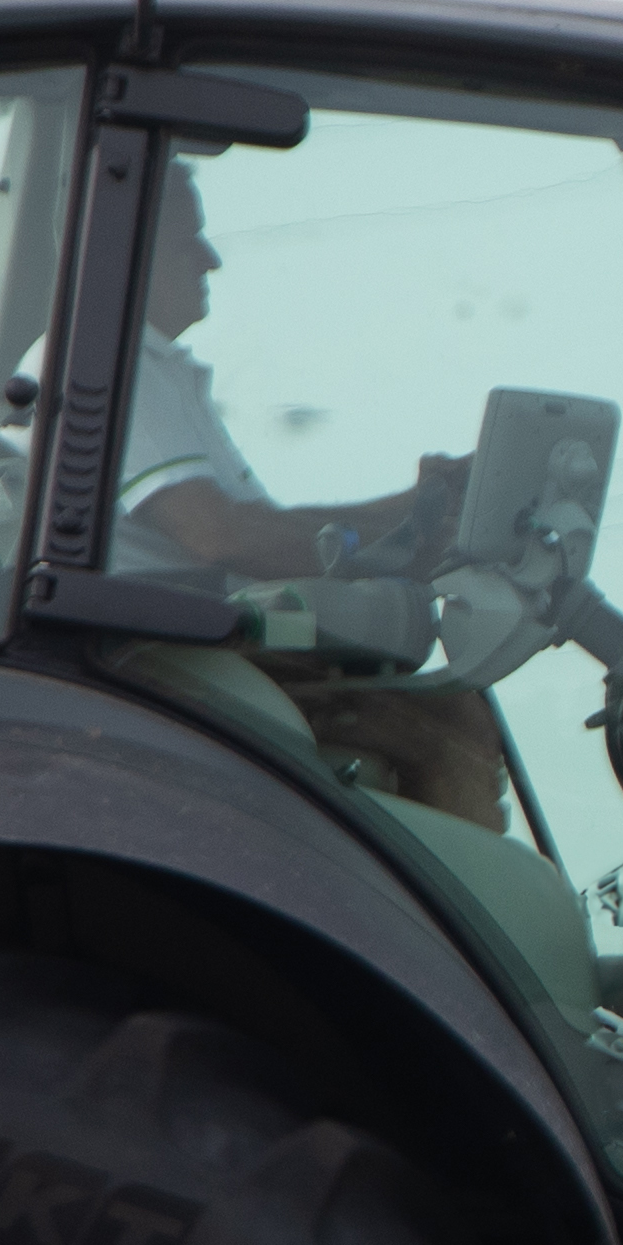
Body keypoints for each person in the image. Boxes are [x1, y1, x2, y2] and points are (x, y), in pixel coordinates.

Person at [98, 156, 514, 830]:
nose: (210, 259)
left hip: (206, 645)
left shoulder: (153, 373)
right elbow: (222, 536)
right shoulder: (115, 366)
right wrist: (367, 547)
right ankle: (452, 925)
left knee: (441, 700)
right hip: (176, 661)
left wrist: (413, 506)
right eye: (188, 240)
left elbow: (261, 525)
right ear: (128, 252)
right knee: (445, 720)